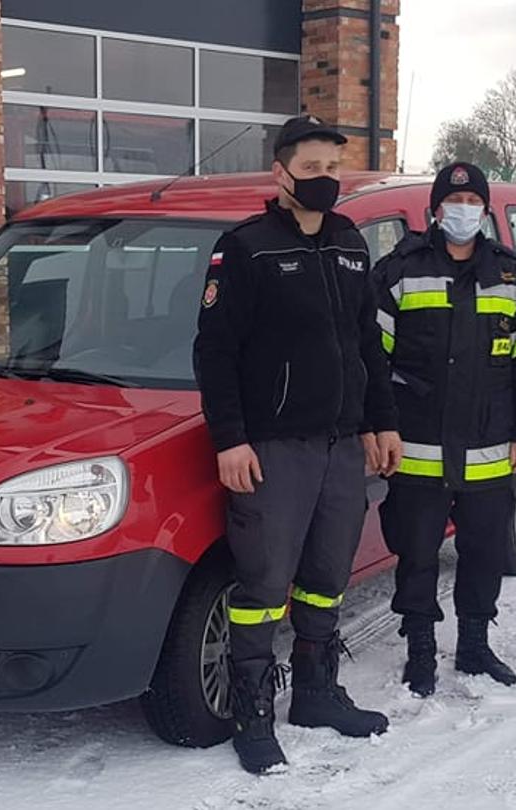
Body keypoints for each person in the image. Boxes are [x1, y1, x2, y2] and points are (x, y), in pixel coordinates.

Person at [192, 114, 404, 775]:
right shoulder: (245, 248)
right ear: (280, 173)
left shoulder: (348, 243)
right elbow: (215, 351)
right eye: (311, 169)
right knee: (261, 586)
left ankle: (315, 692)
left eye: (331, 169)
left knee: (324, 581)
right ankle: (252, 715)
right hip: (274, 449)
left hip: (342, 444)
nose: (323, 180)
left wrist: (381, 420)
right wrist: (230, 439)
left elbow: (366, 343)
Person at [371, 162, 516, 697]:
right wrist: (380, 428)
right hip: (417, 450)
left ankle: (474, 645)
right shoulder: (399, 271)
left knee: (483, 553)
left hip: (490, 449)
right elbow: (372, 363)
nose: (463, 211)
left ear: (485, 211)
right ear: (435, 210)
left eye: (473, 202)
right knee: (418, 553)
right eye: (454, 201)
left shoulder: (511, 275)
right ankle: (419, 649)